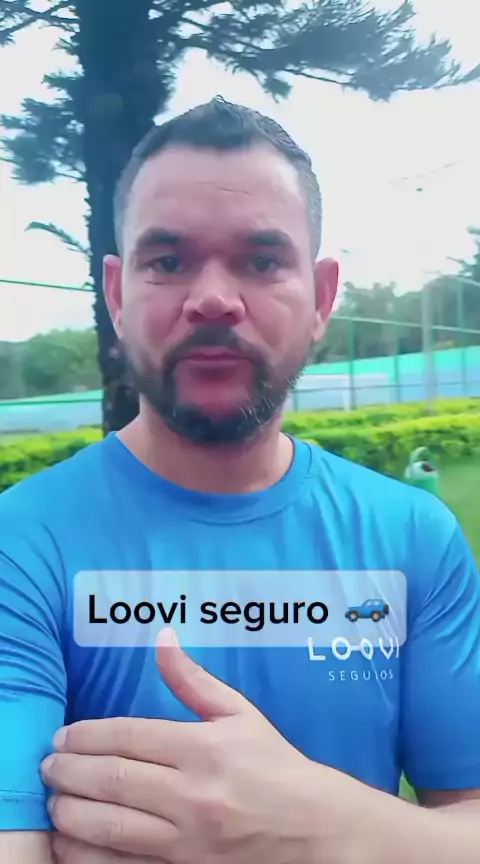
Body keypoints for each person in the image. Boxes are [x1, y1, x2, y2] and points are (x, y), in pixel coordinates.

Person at [0, 97, 479, 864]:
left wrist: (322, 830)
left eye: (261, 260)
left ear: (322, 297)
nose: (214, 298)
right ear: (117, 296)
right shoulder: (21, 544)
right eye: (169, 262)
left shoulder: (413, 539)